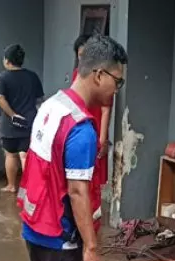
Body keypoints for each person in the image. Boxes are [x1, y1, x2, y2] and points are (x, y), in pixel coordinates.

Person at [19, 35, 126, 261]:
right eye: (117, 82)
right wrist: (90, 248)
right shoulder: (81, 130)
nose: (116, 90)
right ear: (99, 75)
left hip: (35, 229)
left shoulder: (52, 105)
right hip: (60, 241)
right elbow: (78, 192)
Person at [73, 34, 112, 221]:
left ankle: (93, 212)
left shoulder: (103, 78)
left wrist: (102, 138)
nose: (82, 59)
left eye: (85, 55)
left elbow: (106, 109)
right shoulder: (77, 75)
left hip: (94, 131)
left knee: (95, 175)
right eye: (79, 55)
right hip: (80, 130)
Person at [0, 43, 44, 193]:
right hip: (30, 122)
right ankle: (30, 187)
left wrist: (12, 115)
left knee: (10, 154)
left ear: (7, 61)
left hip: (10, 125)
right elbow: (40, 99)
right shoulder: (32, 76)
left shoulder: (3, 77)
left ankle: (11, 185)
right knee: (26, 155)